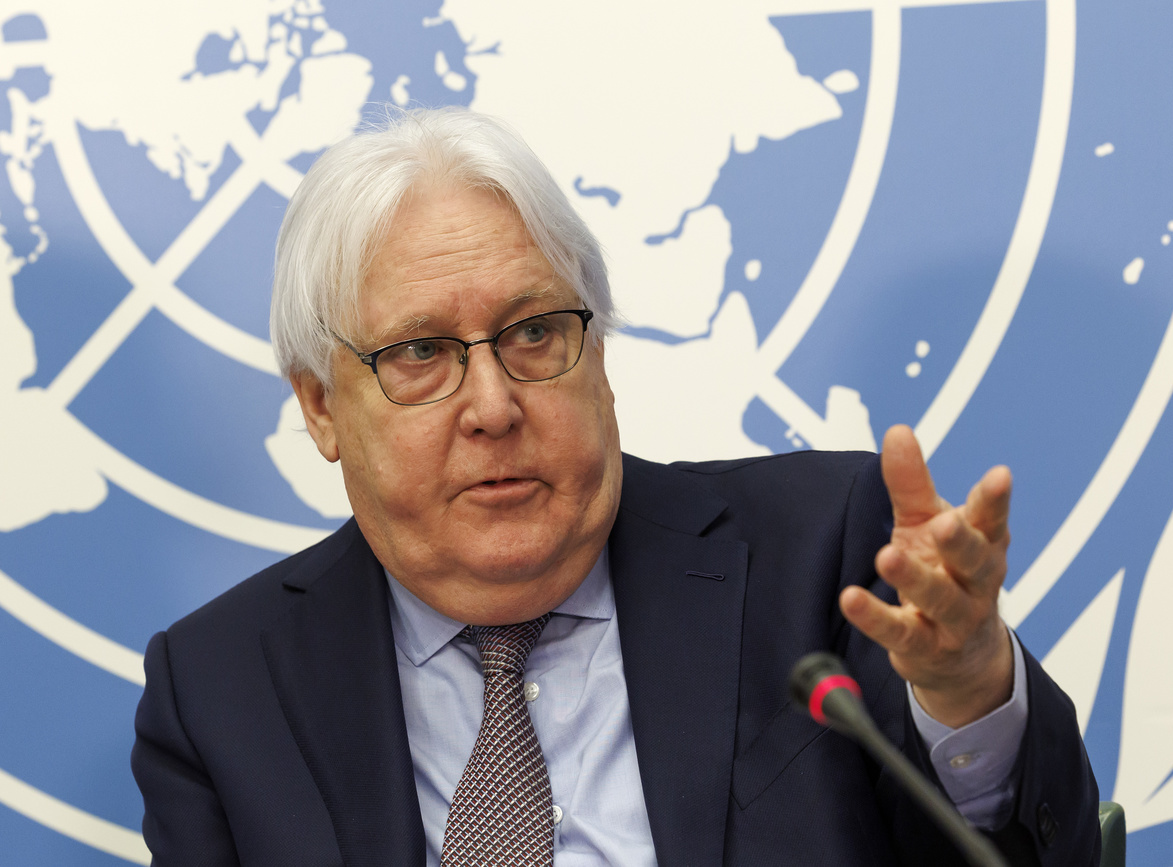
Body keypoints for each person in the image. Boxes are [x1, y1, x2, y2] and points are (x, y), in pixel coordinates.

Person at [132, 107, 1100, 866]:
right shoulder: (220, 688)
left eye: (534, 333)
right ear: (322, 409)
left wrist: (967, 695)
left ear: (597, 353)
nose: (494, 405)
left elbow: (1011, 854)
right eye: (421, 353)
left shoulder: (824, 558)